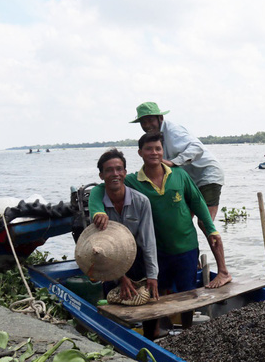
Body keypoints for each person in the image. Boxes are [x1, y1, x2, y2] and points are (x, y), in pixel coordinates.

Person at [88, 132, 231, 327]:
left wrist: (212, 229)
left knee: (188, 294)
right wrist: (97, 210)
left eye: (158, 149)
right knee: (156, 293)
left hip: (186, 247)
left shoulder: (180, 174)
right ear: (140, 153)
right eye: (149, 149)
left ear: (163, 152)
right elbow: (100, 188)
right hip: (158, 250)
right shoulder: (132, 181)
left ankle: (187, 331)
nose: (154, 153)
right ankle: (162, 331)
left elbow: (197, 202)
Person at [89, 148, 160, 338]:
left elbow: (148, 242)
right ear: (101, 175)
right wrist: (120, 277)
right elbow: (100, 248)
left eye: (119, 169)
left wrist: (153, 275)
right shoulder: (98, 206)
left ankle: (150, 339)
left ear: (125, 173)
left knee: (148, 305)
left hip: (136, 259)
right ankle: (118, 342)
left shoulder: (141, 202)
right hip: (108, 262)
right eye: (109, 170)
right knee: (115, 307)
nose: (115, 174)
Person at [129, 102, 225, 224]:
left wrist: (173, 162)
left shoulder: (173, 131)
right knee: (182, 220)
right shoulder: (156, 138)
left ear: (161, 118)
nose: (147, 125)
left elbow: (197, 147)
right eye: (143, 122)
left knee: (204, 222)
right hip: (189, 181)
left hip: (207, 174)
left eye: (150, 120)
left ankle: (215, 243)